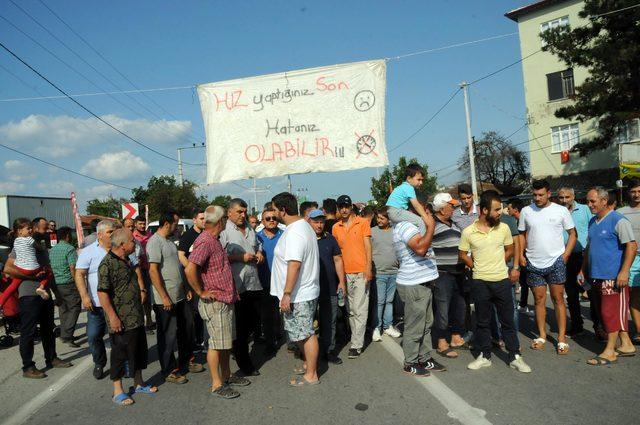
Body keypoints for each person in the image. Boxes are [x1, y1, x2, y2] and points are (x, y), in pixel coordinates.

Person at [459, 191, 531, 373]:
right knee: (483, 321)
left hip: (501, 281)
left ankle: (515, 356)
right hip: (480, 283)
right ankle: (485, 356)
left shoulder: (504, 228)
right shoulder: (468, 232)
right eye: (497, 209)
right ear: (484, 210)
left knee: (507, 321)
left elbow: (510, 248)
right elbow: (462, 254)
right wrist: (475, 265)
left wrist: (499, 261)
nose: (501, 212)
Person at [185, 205, 249, 400]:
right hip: (215, 302)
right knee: (216, 344)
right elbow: (190, 269)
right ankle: (217, 384)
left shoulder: (214, 240)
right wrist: (200, 291)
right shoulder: (205, 241)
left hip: (224, 300)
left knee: (224, 343)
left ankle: (227, 376)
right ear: (220, 221)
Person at [75, 220, 145, 380]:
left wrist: (141, 288)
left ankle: (127, 366)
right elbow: (79, 274)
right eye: (109, 232)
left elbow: (136, 269)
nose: (113, 233)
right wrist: (85, 297)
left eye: (114, 231)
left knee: (123, 339)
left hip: (122, 306)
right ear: (99, 235)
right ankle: (99, 362)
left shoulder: (126, 252)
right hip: (97, 305)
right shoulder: (89, 252)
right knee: (93, 336)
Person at [97, 228, 157, 405]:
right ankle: (118, 391)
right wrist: (113, 317)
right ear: (122, 245)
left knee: (138, 350)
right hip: (120, 319)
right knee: (120, 354)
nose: (135, 243)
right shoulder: (107, 264)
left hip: (135, 316)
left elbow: (136, 277)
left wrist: (142, 289)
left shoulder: (128, 259)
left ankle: (139, 383)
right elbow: (102, 293)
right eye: (132, 241)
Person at [519, 179, 576, 354]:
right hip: (533, 262)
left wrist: (565, 255)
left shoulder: (561, 211)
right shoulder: (526, 211)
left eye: (541, 195)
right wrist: (521, 254)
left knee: (558, 299)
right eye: (534, 195)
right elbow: (521, 234)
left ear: (548, 194)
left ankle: (561, 338)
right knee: (538, 300)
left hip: (556, 262)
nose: (537, 198)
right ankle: (542, 335)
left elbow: (573, 234)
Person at [581, 188, 638, 365]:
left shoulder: (618, 220)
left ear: (604, 201)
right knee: (605, 312)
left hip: (613, 276)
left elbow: (632, 246)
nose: (589, 205)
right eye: (588, 201)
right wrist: (583, 269)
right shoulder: (592, 221)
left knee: (609, 313)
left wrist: (624, 271)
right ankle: (626, 344)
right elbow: (590, 247)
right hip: (596, 275)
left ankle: (610, 351)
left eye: (593, 201)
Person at [270, 192, 321, 386]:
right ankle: (310, 366)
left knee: (305, 334)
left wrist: (287, 294)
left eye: (275, 210)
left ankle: (312, 374)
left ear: (283, 210)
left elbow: (294, 264)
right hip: (300, 292)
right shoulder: (299, 227)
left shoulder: (296, 232)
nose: (273, 214)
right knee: (301, 332)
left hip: (299, 294)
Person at [4, 238, 71, 379]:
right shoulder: (20, 248)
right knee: (28, 332)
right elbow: (8, 270)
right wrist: (32, 276)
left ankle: (52, 358)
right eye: (45, 227)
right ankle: (28, 367)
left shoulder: (43, 250)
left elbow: (49, 273)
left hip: (44, 294)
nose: (48, 230)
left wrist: (56, 293)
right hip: (28, 295)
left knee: (48, 330)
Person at [147, 212, 201, 384]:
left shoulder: (169, 241)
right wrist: (164, 297)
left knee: (186, 329)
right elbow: (153, 271)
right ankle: (170, 369)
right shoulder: (154, 242)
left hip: (179, 296)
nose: (177, 227)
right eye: (175, 223)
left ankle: (187, 361)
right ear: (167, 223)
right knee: (168, 336)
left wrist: (185, 288)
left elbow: (176, 267)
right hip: (166, 299)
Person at [393, 199, 444, 376]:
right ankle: (411, 361)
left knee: (426, 324)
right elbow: (420, 250)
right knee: (415, 326)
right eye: (426, 211)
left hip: (423, 282)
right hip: (414, 284)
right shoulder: (407, 226)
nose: (428, 214)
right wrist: (430, 227)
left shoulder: (413, 227)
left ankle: (425, 357)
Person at [220, 198, 264, 376]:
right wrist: (239, 258)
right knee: (240, 327)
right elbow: (219, 257)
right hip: (236, 285)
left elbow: (257, 245)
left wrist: (259, 253)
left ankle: (239, 352)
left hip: (253, 283)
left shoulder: (250, 227)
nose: (242, 215)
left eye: (244, 211)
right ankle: (244, 364)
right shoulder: (224, 231)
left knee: (252, 322)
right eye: (239, 212)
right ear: (229, 212)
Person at [332, 194, 372, 359]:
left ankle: (357, 344)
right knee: (350, 310)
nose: (344, 209)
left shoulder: (362, 222)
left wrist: (369, 267)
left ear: (351, 207)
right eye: (341, 206)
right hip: (345, 273)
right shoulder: (335, 227)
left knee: (360, 309)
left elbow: (368, 246)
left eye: (346, 206)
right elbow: (336, 254)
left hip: (361, 271)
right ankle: (355, 337)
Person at [430, 193, 467, 358]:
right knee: (442, 309)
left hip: (459, 271)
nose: (453, 208)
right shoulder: (431, 223)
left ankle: (456, 337)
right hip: (442, 273)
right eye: (451, 205)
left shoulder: (454, 223)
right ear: (441, 208)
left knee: (459, 306)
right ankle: (441, 341)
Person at [308, 209, 346, 364]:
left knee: (329, 321)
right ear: (309, 222)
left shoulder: (330, 239)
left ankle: (328, 351)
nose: (319, 225)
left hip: (330, 287)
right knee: (308, 322)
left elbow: (337, 260)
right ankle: (308, 352)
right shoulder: (305, 239)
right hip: (309, 289)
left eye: (321, 221)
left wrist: (341, 282)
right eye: (316, 221)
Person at [557, 187, 593, 337]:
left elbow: (593, 227)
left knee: (591, 291)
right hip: (566, 256)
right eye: (561, 198)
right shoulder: (557, 212)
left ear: (573, 196)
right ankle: (577, 325)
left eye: (567, 197)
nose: (564, 200)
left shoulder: (585, 209)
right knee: (571, 293)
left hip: (584, 255)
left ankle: (599, 327)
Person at [0, 218, 54, 307]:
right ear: (20, 231)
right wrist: (43, 248)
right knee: (48, 272)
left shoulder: (16, 242)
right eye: (28, 228)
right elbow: (39, 247)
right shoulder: (29, 239)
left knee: (12, 287)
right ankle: (41, 287)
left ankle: (1, 302)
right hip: (32, 271)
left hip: (21, 269)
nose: (30, 230)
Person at [370, 206, 401, 342]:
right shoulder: (371, 232)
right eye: (378, 218)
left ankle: (388, 326)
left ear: (389, 220)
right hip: (379, 273)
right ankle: (376, 327)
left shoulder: (396, 232)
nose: (379, 220)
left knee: (389, 301)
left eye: (382, 218)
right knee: (380, 301)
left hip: (393, 272)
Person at [256, 206, 284, 356]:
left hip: (283, 281)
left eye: (274, 218)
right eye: (268, 219)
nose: (272, 221)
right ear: (263, 221)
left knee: (286, 311)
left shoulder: (285, 235)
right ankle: (270, 343)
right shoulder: (256, 237)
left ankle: (290, 339)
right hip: (265, 281)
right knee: (268, 314)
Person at [178, 210, 207, 352]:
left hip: (204, 278)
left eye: (205, 219)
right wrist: (191, 268)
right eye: (201, 218)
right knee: (194, 311)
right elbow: (181, 255)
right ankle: (195, 341)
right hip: (191, 278)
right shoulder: (188, 236)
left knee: (202, 309)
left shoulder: (206, 234)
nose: (204, 221)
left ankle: (202, 339)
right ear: (194, 220)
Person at [49, 226, 80, 347]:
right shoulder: (70, 248)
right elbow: (73, 267)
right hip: (68, 283)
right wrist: (78, 283)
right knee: (75, 307)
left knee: (63, 308)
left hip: (56, 283)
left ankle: (65, 333)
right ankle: (67, 335)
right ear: (67, 235)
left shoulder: (53, 250)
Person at [618, 179, 640, 343]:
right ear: (628, 192)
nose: (636, 194)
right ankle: (639, 331)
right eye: (633, 191)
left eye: (639, 191)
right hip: (630, 258)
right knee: (634, 296)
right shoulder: (621, 212)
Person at [385, 163, 432, 234]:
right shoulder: (409, 188)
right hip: (397, 211)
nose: (421, 182)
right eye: (419, 179)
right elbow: (416, 205)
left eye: (422, 180)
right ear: (409, 178)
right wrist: (426, 218)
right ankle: (423, 241)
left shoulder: (403, 186)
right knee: (420, 222)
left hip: (392, 211)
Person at [507, 198, 533, 317]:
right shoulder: (514, 221)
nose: (507, 210)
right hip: (521, 256)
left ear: (516, 209)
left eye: (509, 208)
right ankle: (523, 305)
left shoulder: (526, 221)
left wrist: (522, 254)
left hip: (528, 256)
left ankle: (525, 304)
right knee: (523, 281)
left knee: (529, 281)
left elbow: (526, 240)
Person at [132, 217, 155, 333]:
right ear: (135, 224)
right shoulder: (132, 237)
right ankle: (140, 323)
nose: (142, 226)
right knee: (140, 297)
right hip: (137, 271)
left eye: (143, 223)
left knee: (148, 297)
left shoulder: (150, 235)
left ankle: (149, 321)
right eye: (140, 224)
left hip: (149, 269)